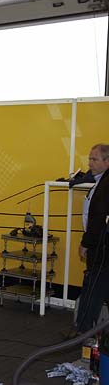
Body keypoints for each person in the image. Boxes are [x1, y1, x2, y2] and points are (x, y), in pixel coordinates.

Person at [75, 143, 109, 333]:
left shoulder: (105, 185)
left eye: (94, 159)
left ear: (107, 161)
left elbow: (98, 218)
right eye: (89, 159)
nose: (90, 163)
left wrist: (86, 243)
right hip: (102, 247)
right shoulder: (100, 182)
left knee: (93, 291)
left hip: (101, 249)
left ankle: (84, 333)